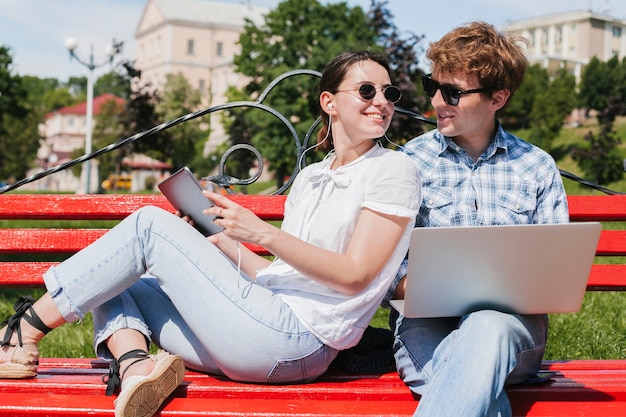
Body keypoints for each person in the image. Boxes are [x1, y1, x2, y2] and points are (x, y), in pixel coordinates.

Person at [0, 50, 421, 417]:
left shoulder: (393, 170)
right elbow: (281, 275)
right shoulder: (312, 177)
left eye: (389, 93)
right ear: (329, 102)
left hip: (300, 343)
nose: (381, 102)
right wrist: (220, 242)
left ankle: (22, 334)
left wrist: (263, 232)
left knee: (148, 225)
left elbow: (356, 275)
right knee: (115, 279)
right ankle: (136, 369)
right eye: (367, 91)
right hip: (261, 325)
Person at [383, 22, 570, 417]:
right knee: (473, 383)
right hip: (425, 325)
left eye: (452, 92)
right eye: (431, 86)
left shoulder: (536, 167)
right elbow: (382, 268)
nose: (436, 101)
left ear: (497, 98)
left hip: (511, 329)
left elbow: (555, 274)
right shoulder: (407, 164)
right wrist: (406, 282)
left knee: (485, 327)